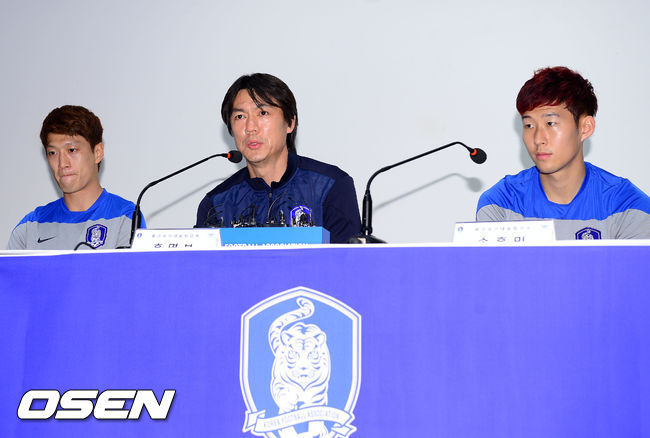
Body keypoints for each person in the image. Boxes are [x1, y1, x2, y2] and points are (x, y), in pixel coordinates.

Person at [476, 66, 650, 239]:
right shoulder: (500, 203)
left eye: (550, 123)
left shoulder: (628, 207)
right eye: (529, 125)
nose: (538, 139)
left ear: (585, 128)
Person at [196, 73, 361, 243]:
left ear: (290, 123)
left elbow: (349, 258)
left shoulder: (330, 186)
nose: (250, 127)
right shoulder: (216, 204)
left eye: (263, 113)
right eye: (240, 117)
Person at [7, 105, 141, 250]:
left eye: (71, 150)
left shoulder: (126, 218)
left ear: (97, 152)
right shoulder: (30, 227)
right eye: (52, 153)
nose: (62, 163)